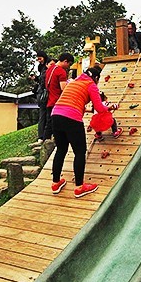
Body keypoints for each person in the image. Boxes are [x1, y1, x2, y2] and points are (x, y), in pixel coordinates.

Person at [50, 65, 111, 198]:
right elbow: (100, 108)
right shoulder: (90, 85)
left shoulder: (74, 82)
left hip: (56, 114)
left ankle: (55, 183)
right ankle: (79, 187)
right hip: (72, 118)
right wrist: (110, 107)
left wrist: (88, 110)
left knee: (61, 149)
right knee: (79, 152)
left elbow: (76, 104)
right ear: (95, 78)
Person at [34, 51, 52, 142]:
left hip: (44, 93)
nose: (39, 60)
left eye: (40, 58)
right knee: (43, 115)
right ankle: (41, 136)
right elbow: (42, 82)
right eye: (38, 59)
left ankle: (43, 136)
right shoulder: (42, 69)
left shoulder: (47, 67)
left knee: (46, 115)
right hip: (43, 94)